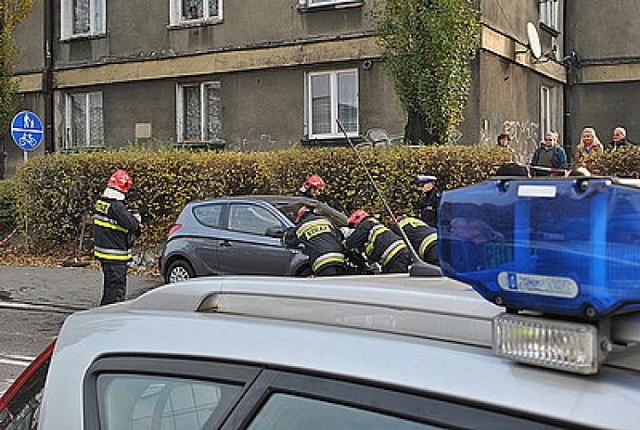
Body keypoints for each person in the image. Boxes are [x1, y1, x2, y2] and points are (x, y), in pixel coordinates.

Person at [93, 170, 141, 305]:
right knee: (116, 291)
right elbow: (133, 226)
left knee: (109, 287)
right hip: (115, 255)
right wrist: (136, 216)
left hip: (104, 252)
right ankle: (109, 316)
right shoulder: (117, 207)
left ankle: (104, 312)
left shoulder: (102, 202)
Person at [284, 204, 346, 277]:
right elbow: (340, 236)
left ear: (299, 216)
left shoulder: (301, 227)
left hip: (322, 261)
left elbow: (289, 241)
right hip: (339, 258)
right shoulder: (325, 220)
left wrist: (288, 230)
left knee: (326, 285)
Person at [345, 209, 410, 273]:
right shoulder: (374, 223)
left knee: (395, 281)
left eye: (353, 225)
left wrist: (343, 244)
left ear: (357, 219)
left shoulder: (366, 224)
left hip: (395, 255)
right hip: (398, 253)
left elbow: (351, 242)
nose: (354, 229)